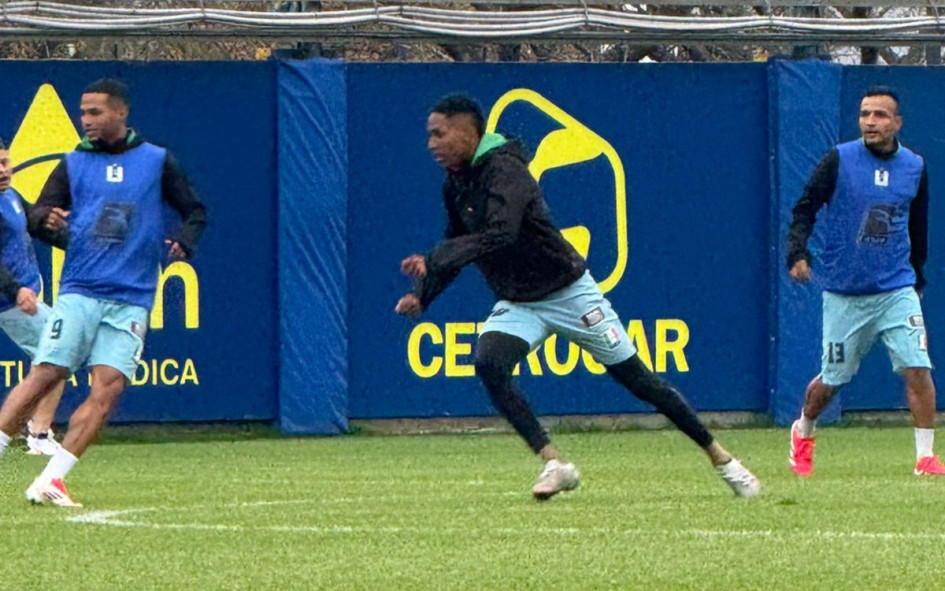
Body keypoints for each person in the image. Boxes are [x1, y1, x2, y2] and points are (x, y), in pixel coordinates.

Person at [395, 94, 761, 500]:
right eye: (429, 135)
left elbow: (501, 233)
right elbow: (457, 241)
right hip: (520, 302)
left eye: (438, 133)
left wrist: (436, 258)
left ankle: (724, 461)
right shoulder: (456, 184)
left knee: (640, 381)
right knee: (489, 363)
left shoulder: (506, 169)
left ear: (468, 131)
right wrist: (423, 296)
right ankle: (556, 464)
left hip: (569, 294)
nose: (431, 143)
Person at [0, 78, 207, 507]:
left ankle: (51, 480)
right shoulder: (73, 162)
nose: (86, 120)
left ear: (120, 113)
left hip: (132, 296)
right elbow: (38, 214)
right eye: (82, 112)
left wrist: (184, 242)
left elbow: (195, 211)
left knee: (108, 389)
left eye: (94, 112)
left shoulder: (156, 161)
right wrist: (47, 221)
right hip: (81, 290)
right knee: (48, 372)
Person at [786, 86, 943, 477]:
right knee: (833, 380)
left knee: (917, 366)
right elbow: (805, 207)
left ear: (897, 123)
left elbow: (917, 225)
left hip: (896, 288)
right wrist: (797, 253)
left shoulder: (914, 166)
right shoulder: (839, 159)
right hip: (845, 292)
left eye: (880, 115)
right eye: (865, 114)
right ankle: (803, 430)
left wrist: (916, 276)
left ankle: (925, 458)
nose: (870, 122)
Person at [0, 139, 66, 457]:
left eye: (5, 162)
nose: (3, 170)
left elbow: (38, 227)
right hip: (9, 302)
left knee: (52, 358)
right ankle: (38, 435)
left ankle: (36, 432)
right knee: (59, 352)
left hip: (20, 296)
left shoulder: (10, 196)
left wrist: (80, 245)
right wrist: (16, 290)